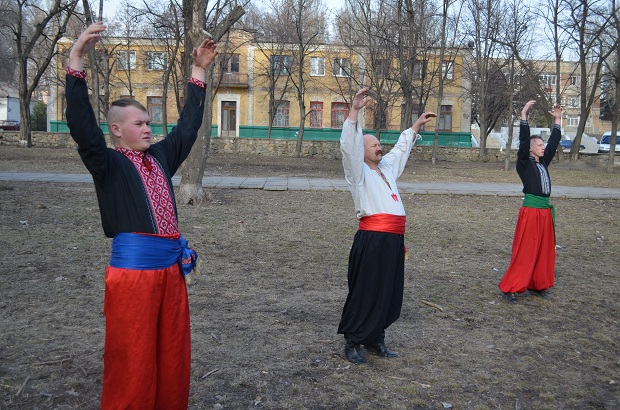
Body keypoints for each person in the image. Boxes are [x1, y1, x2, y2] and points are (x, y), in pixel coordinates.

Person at [65, 21, 217, 408]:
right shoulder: (108, 164)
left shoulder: (162, 158)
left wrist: (198, 71)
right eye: (140, 123)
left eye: (149, 122)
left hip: (171, 273)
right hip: (133, 278)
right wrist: (76, 60)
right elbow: (82, 126)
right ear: (117, 130)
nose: (149, 128)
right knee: (132, 359)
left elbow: (187, 128)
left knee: (172, 353)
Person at [337, 87, 437, 364]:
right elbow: (349, 147)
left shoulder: (387, 169)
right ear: (362, 151)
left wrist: (415, 126)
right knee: (367, 289)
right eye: (374, 145)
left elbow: (401, 150)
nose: (380, 147)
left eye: (380, 144)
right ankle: (354, 340)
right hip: (372, 240)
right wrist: (355, 113)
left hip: (393, 241)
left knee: (389, 291)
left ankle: (375, 337)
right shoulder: (358, 173)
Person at [499, 100, 563, 304]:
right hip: (531, 212)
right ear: (530, 149)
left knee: (544, 251)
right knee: (526, 251)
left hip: (544, 213)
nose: (543, 147)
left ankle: (538, 285)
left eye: (542, 145)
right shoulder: (524, 164)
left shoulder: (543, 162)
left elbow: (553, 142)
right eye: (539, 145)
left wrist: (558, 121)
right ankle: (512, 287)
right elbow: (524, 142)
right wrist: (524, 117)